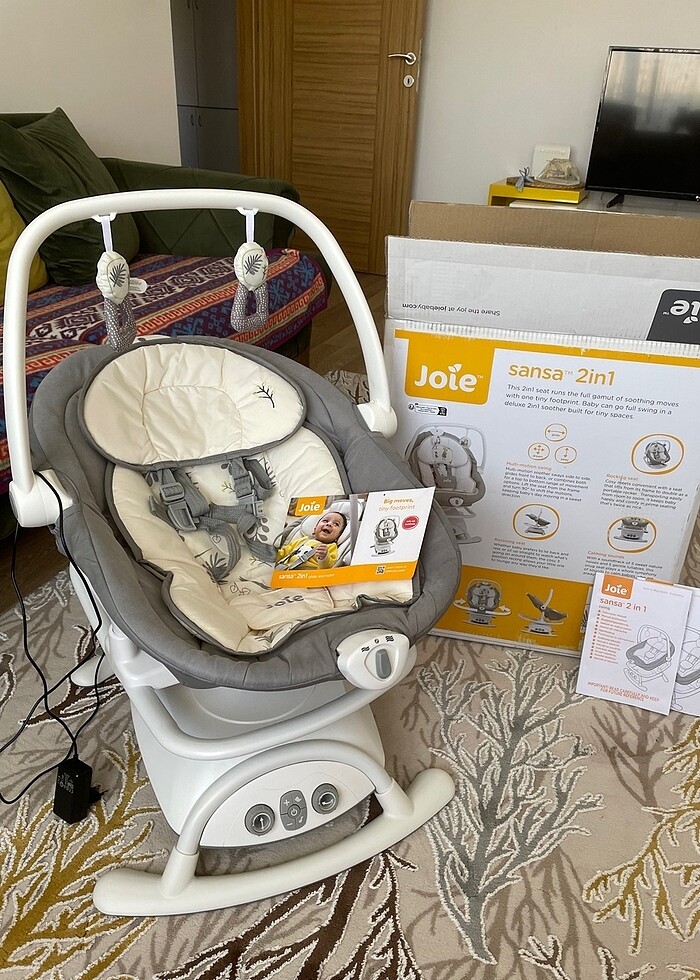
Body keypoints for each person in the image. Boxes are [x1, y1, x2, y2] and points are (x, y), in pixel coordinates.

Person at [275, 511, 347, 569]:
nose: (329, 524)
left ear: (338, 537)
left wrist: (324, 558)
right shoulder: (303, 540)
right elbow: (282, 553)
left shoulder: (331, 547)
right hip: (285, 570)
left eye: (336, 524)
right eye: (325, 521)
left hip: (307, 576)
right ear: (314, 530)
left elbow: (329, 568)